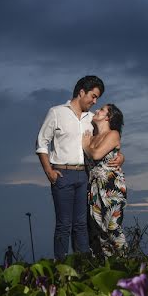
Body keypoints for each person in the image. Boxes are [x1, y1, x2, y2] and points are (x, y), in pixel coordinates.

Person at [36, 76, 124, 260]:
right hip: (62, 173)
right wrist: (49, 172)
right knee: (64, 224)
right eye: (93, 96)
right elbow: (42, 143)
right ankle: (60, 265)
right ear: (81, 92)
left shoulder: (92, 119)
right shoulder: (56, 112)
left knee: (82, 224)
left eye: (97, 99)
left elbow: (108, 139)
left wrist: (120, 156)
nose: (95, 101)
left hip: (85, 176)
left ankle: (83, 265)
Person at [83, 104, 127, 257]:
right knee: (100, 230)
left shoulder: (113, 134)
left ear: (108, 117)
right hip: (94, 187)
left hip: (111, 185)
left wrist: (85, 145)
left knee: (113, 227)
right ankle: (110, 264)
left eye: (101, 110)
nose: (97, 110)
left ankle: (126, 262)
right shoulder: (92, 137)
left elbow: (95, 155)